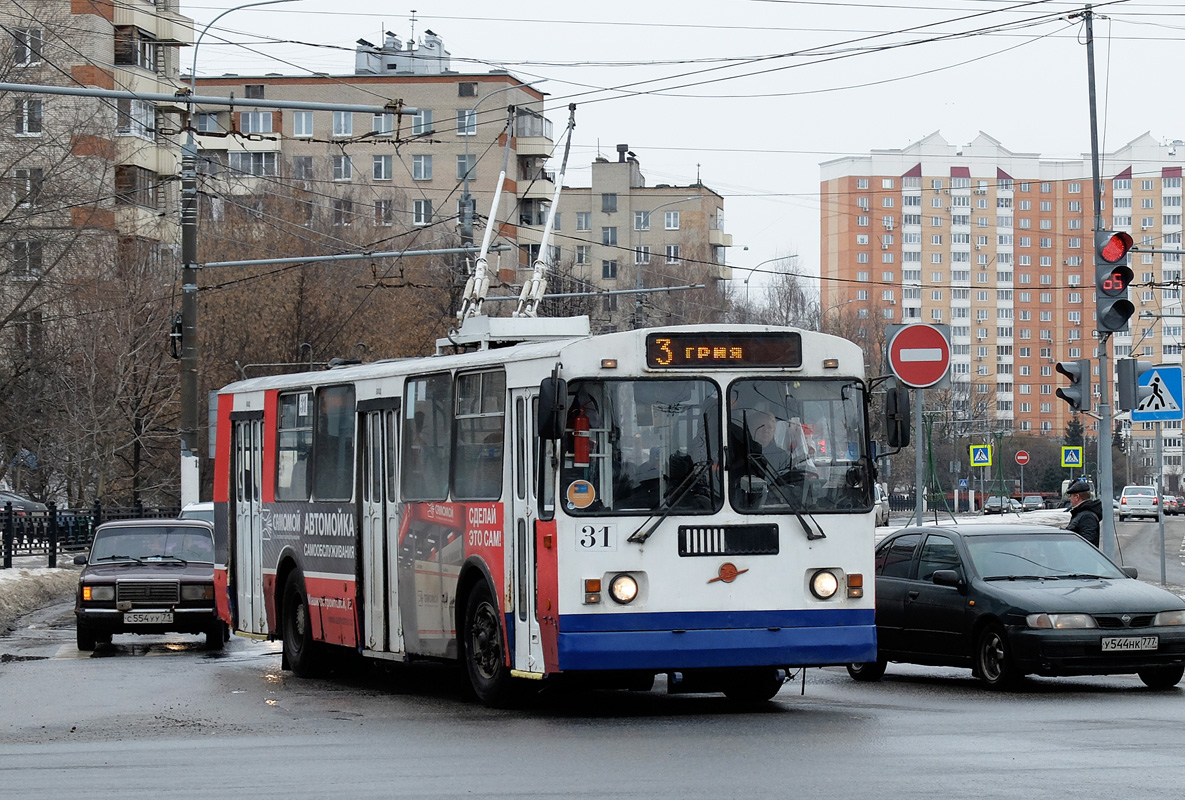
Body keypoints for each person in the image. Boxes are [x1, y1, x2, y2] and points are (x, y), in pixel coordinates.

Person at [1065, 480, 1102, 548]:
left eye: (1071, 496)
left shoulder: (1087, 517)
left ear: (1077, 497)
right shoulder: (1081, 514)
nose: (1070, 499)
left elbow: (1087, 545)